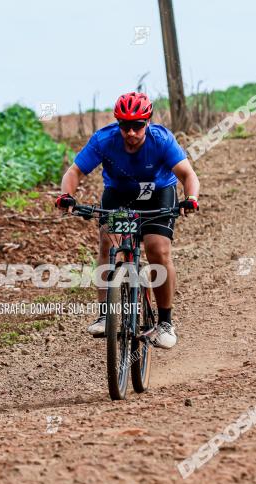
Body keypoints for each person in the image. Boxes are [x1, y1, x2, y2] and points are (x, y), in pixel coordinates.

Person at [55, 91, 199, 349]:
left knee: (157, 249)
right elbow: (74, 171)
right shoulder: (104, 140)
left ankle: (165, 322)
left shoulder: (162, 140)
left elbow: (188, 175)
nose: (131, 132)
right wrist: (66, 195)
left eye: (137, 126)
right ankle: (104, 315)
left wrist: (191, 198)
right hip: (120, 196)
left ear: (148, 123)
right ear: (117, 124)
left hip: (158, 194)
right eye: (125, 125)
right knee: (108, 244)